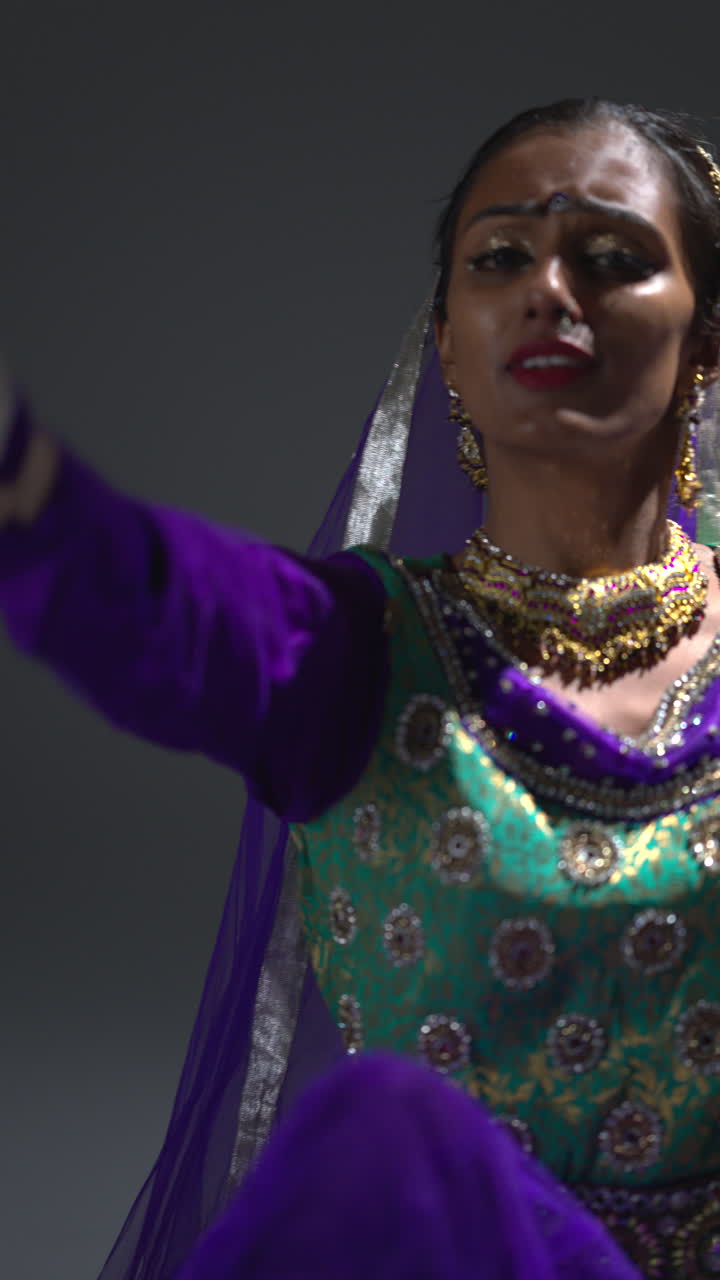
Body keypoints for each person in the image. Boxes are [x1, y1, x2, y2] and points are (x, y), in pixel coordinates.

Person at [2, 95, 720, 1279]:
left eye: (612, 257)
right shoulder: (358, 649)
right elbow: (134, 592)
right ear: (447, 342)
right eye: (500, 258)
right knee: (388, 1135)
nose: (551, 289)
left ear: (707, 342)